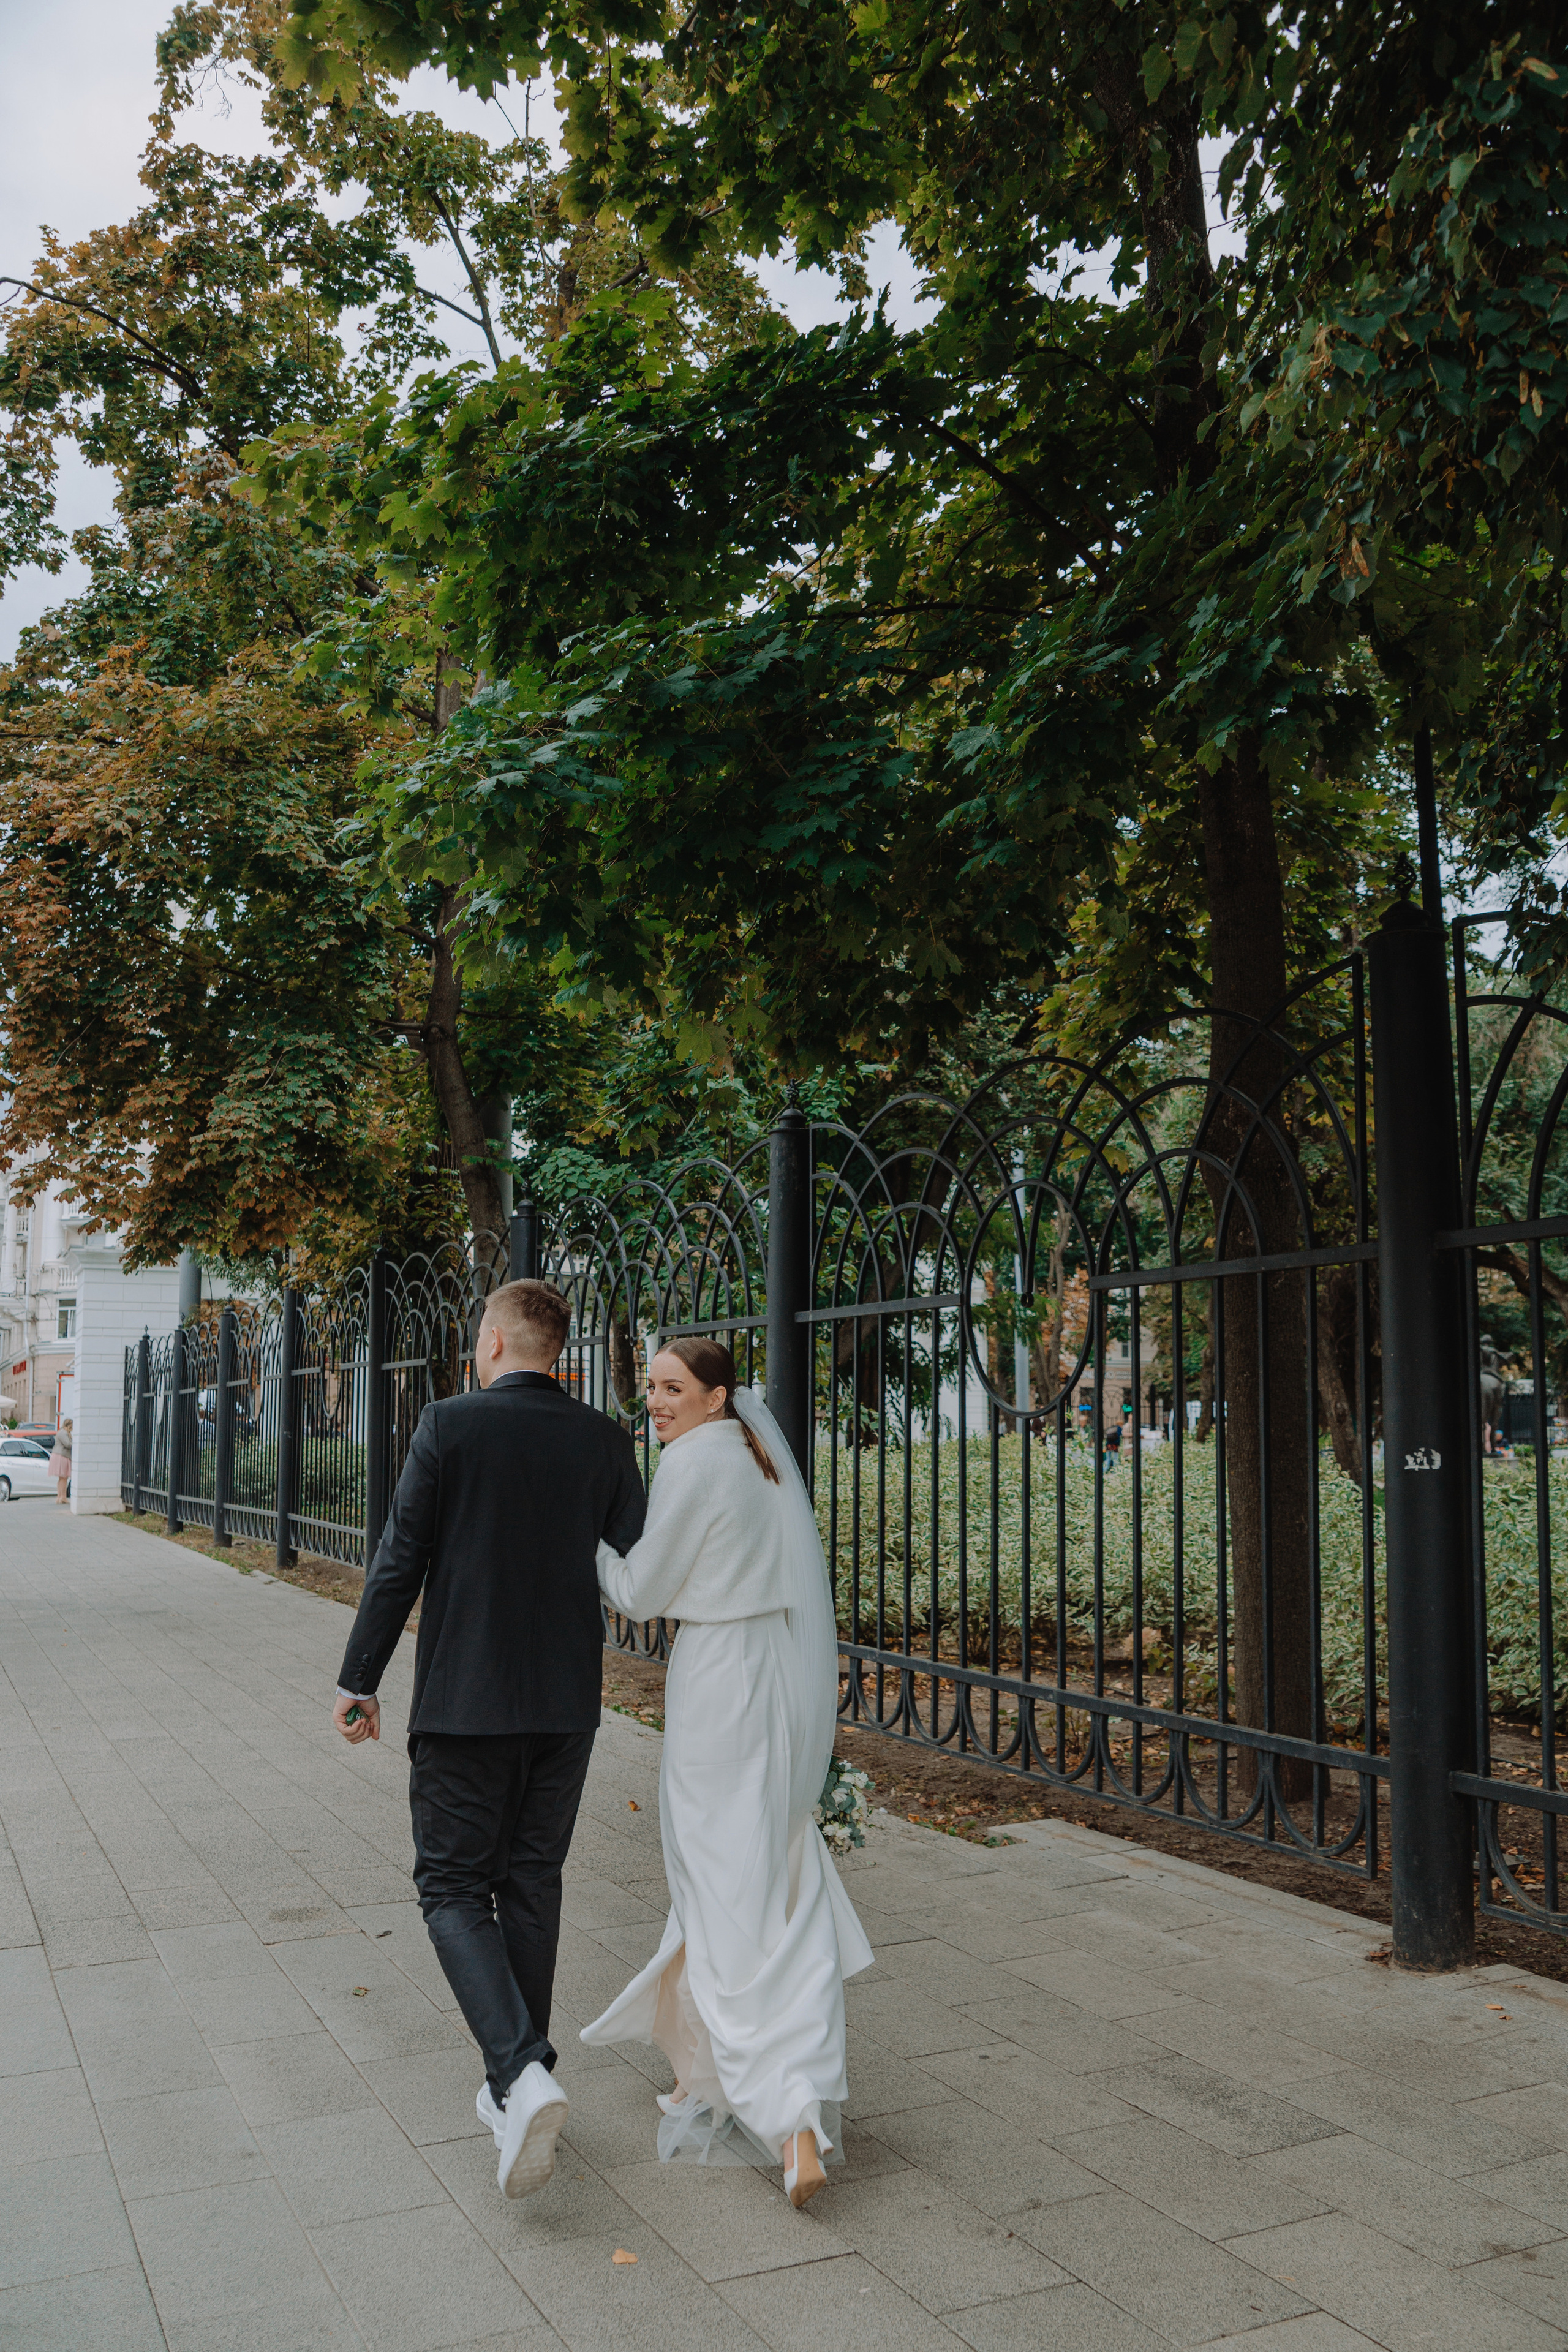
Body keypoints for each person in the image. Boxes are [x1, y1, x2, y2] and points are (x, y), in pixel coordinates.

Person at [331, 1280, 646, 2201]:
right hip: (564, 1706)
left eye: (478, 1337)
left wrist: (361, 1678)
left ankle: (518, 2071)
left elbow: (400, 1557)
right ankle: (518, 2085)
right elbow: (639, 1561)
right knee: (532, 1879)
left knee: (452, 1886)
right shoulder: (603, 1438)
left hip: (467, 1703)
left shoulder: (449, 1425)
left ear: (497, 1343)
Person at [582, 1338, 873, 2211]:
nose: (657, 1405)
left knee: (717, 1879)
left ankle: (789, 2116)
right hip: (774, 1679)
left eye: (674, 1390)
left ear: (717, 1398)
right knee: (757, 1868)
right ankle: (700, 2072)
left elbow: (641, 1591)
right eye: (654, 1390)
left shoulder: (694, 1463)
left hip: (717, 1684)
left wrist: (588, 1544)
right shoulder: (759, 1467)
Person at [49, 1419, 72, 1506]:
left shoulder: (62, 1432)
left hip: (60, 1456)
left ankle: (60, 1497)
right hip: (61, 1456)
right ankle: (63, 1497)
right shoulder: (63, 1433)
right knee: (64, 1477)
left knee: (62, 1478)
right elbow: (68, 1444)